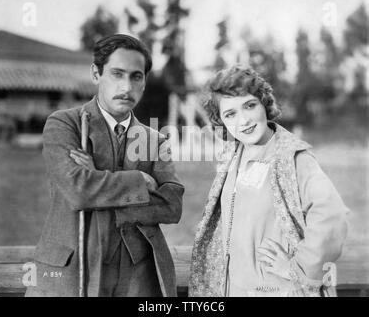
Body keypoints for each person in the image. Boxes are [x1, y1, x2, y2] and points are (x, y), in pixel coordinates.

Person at [25, 34, 184, 297]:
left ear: (144, 82)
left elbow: (171, 205)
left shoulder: (155, 139)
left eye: (136, 76)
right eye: (117, 74)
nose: (127, 86)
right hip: (71, 269)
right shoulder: (65, 124)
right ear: (96, 74)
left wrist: (97, 177)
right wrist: (141, 180)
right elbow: (78, 190)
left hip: (135, 276)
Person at [189, 65, 349, 297]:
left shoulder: (292, 158)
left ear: (264, 103)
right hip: (233, 289)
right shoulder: (232, 157)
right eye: (230, 114)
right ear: (221, 121)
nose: (243, 121)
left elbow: (333, 217)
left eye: (249, 105)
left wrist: (299, 268)